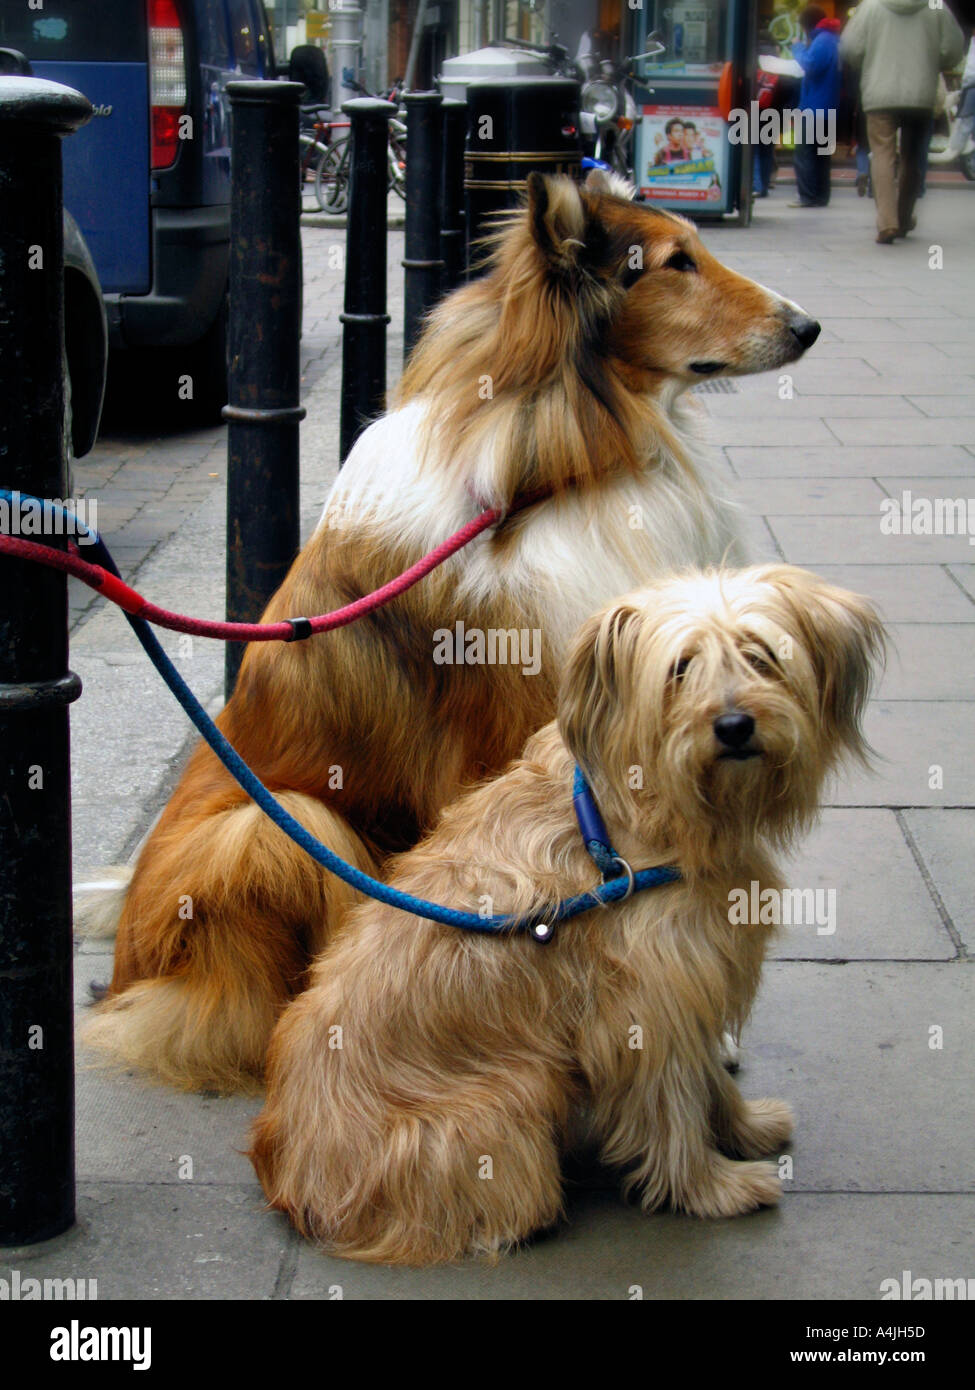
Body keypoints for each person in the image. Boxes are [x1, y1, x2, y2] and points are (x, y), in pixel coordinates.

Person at [841, 0, 965, 243]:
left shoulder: (872, 5)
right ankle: (904, 217)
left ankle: (887, 222)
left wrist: (867, 61)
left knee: (882, 154)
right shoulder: (935, 4)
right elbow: (953, 48)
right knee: (913, 156)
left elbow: (850, 48)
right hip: (921, 93)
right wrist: (933, 62)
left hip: (880, 93)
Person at [788, 5, 843, 207]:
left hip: (814, 107)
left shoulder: (822, 41)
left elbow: (810, 65)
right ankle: (820, 195)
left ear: (807, 25)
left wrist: (797, 47)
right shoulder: (834, 39)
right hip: (829, 106)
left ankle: (808, 196)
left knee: (805, 154)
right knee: (822, 155)